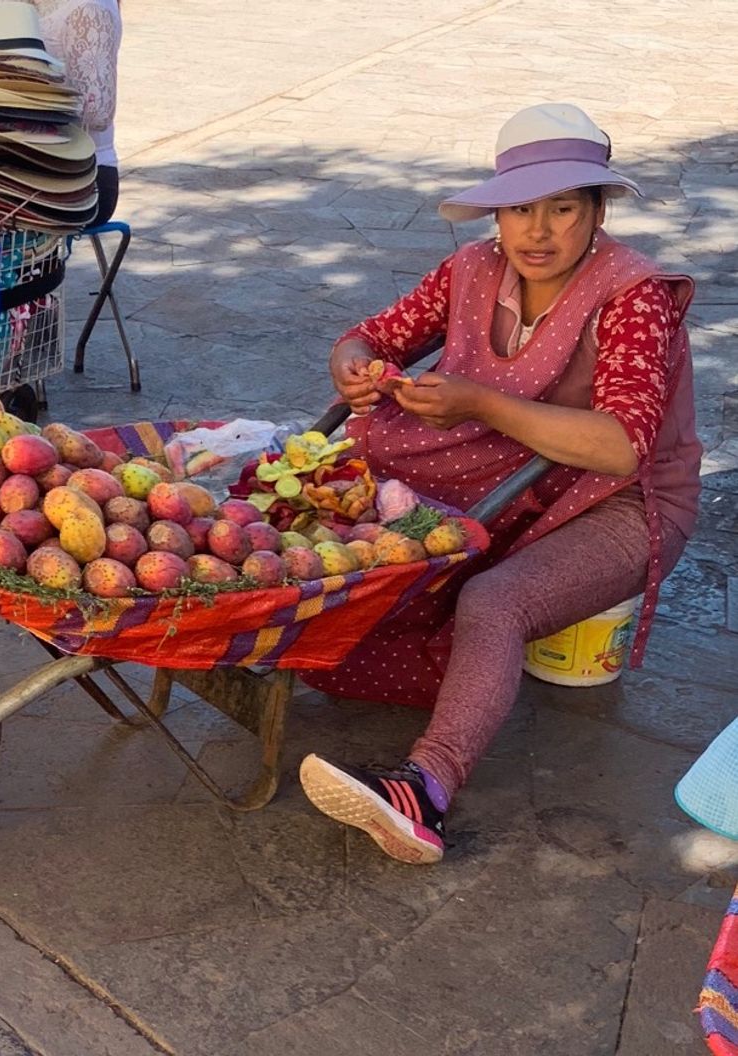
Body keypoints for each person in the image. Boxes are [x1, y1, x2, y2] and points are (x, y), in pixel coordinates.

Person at [297, 103, 702, 866]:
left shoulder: (632, 295)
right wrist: (352, 368)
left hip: (621, 502)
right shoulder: (472, 268)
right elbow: (371, 336)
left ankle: (427, 791)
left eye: (563, 208)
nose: (538, 232)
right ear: (498, 210)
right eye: (521, 208)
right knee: (353, 528)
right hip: (507, 477)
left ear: (597, 211)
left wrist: (479, 402)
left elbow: (620, 447)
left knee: (494, 600)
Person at [28, 0, 122, 225]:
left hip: (83, 176)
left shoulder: (90, 10)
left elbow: (99, 113)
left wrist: (33, 101)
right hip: (31, 162)